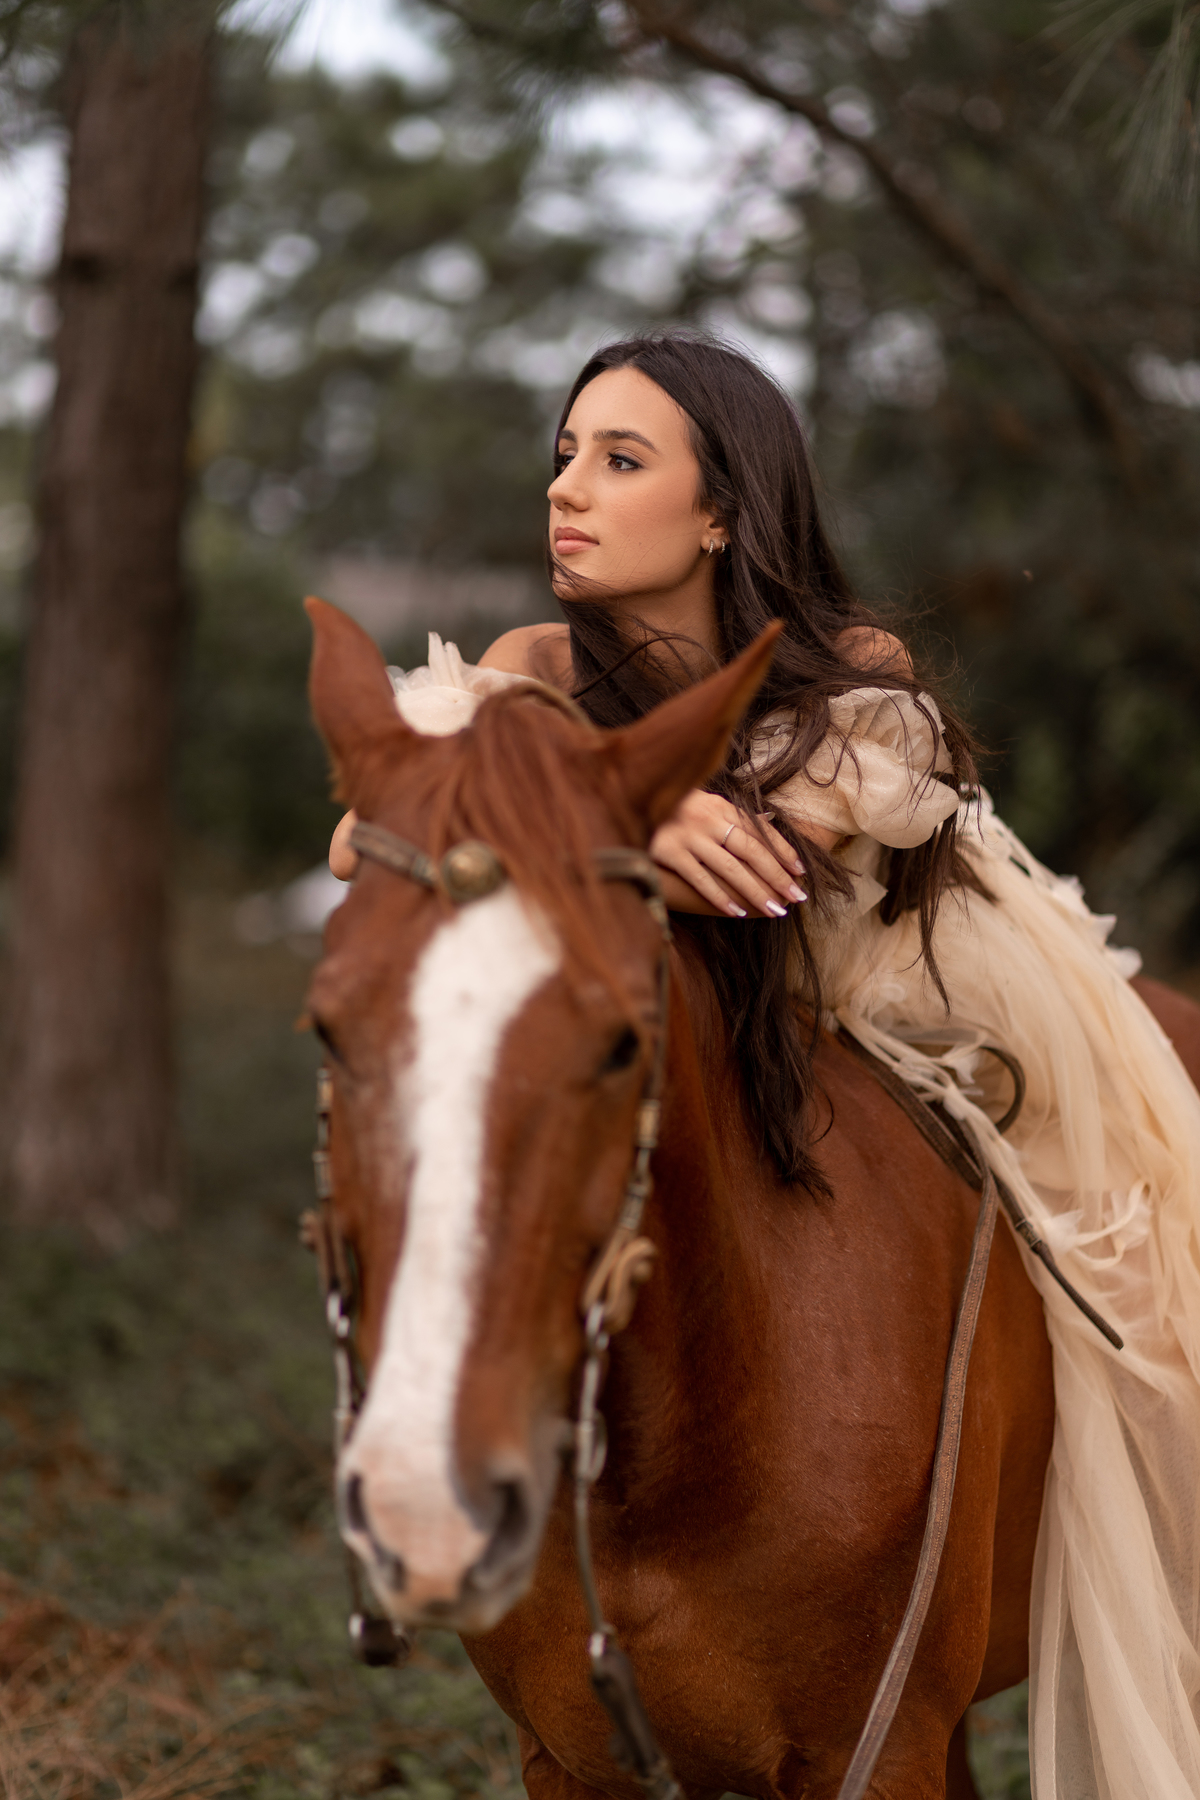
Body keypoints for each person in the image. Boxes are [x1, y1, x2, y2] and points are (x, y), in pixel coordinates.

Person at [330, 332, 1200, 1797]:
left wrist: (647, 806)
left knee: (1109, 1224)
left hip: (881, 1001)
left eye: (620, 460)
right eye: (562, 454)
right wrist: (636, 817)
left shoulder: (850, 672)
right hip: (657, 1029)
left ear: (723, 506)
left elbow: (783, 880)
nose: (567, 491)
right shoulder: (532, 671)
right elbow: (407, 814)